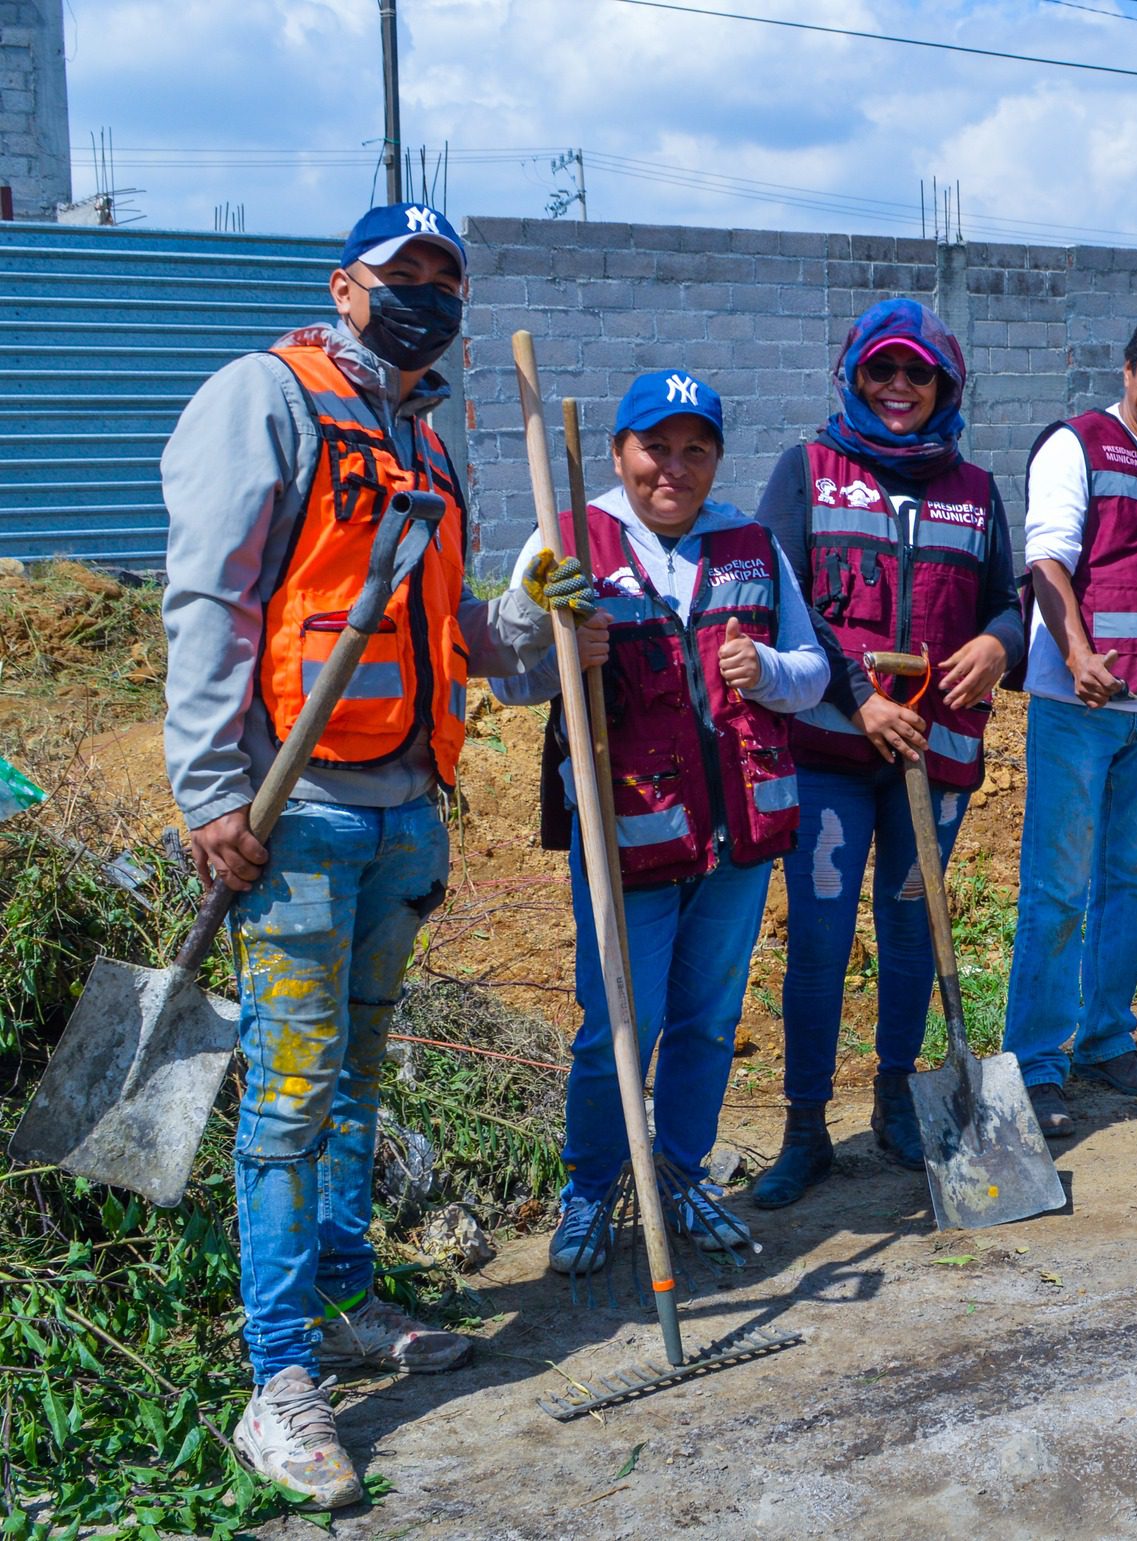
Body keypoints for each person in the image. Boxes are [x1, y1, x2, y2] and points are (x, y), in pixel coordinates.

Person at [161, 204, 596, 1508]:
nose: (427, 300)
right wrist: (209, 791)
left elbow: (455, 632)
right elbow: (211, 593)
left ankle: (345, 1299)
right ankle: (277, 1377)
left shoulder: (429, 439)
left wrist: (528, 614)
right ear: (345, 284)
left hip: (405, 811)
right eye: (404, 277)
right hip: (296, 815)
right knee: (290, 1101)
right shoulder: (269, 400)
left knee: (353, 1079)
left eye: (445, 281)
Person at [491, 371, 828, 1271]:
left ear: (717, 457)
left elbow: (813, 671)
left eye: (696, 449)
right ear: (618, 453)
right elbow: (509, 681)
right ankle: (594, 1191)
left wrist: (769, 671)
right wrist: (563, 643)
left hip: (735, 838)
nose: (673, 468)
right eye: (655, 448)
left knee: (710, 1020)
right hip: (627, 837)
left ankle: (679, 1174)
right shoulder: (570, 537)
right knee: (612, 1030)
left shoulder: (752, 544)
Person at [749, 299, 1023, 1207]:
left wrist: (1000, 645)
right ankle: (803, 1128)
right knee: (822, 942)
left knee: (912, 933)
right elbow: (775, 605)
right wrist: (858, 698)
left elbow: (1004, 606)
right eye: (883, 370)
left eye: (919, 374)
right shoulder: (808, 472)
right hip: (830, 752)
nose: (900, 388)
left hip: (932, 763)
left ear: (945, 386)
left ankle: (902, 1105)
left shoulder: (976, 490)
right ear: (855, 376)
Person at [1001, 304, 1137, 1138]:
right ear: (1127, 372)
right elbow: (1047, 556)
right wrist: (1078, 651)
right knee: (1056, 889)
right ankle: (1036, 1059)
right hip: (1077, 707)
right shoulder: (1076, 445)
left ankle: (1105, 1036)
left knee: (1131, 880)